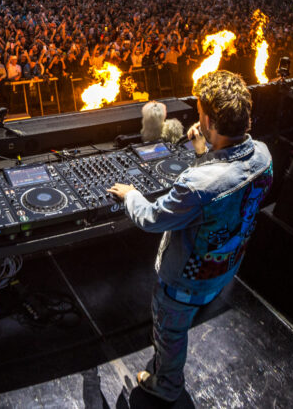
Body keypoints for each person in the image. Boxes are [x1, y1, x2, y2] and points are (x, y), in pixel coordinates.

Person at [107, 70, 273, 401]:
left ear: (209, 121)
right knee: (181, 322)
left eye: (200, 114)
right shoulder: (264, 156)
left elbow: (152, 218)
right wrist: (204, 152)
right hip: (225, 267)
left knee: (170, 332)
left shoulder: (197, 185)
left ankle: (166, 386)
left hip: (185, 281)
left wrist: (131, 195)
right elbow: (223, 191)